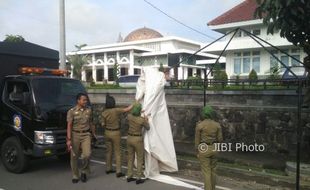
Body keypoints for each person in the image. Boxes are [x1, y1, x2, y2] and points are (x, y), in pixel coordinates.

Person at [66, 93, 96, 183]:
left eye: (86, 100)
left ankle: (84, 171)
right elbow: (69, 125)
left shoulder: (89, 110)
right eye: (84, 100)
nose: (85, 101)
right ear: (78, 101)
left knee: (87, 154)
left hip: (86, 135)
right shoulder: (72, 111)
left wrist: (94, 134)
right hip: (75, 135)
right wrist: (69, 139)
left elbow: (91, 123)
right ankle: (75, 175)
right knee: (74, 156)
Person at [101, 93, 133, 178]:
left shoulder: (104, 112)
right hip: (115, 133)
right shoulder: (116, 110)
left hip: (107, 132)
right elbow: (127, 109)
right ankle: (118, 171)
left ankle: (108, 168)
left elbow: (102, 124)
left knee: (109, 152)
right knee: (118, 152)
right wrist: (135, 102)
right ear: (113, 103)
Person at [195, 105, 223, 190]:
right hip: (214, 148)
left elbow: (197, 141)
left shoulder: (200, 125)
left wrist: (197, 152)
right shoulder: (217, 125)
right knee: (213, 170)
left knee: (207, 172)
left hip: (204, 148)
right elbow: (220, 139)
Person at [126, 103, 150, 184]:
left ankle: (129, 176)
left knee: (130, 158)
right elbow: (148, 128)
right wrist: (146, 119)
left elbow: (133, 113)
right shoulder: (141, 120)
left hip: (129, 138)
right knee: (139, 159)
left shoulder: (129, 116)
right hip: (137, 139)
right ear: (139, 111)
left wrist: (139, 111)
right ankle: (138, 178)